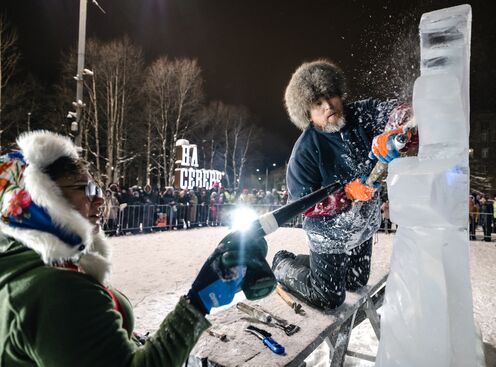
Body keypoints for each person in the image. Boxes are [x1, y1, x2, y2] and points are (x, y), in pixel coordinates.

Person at [0, 130, 273, 366]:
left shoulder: (20, 266)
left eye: (98, 189)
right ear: (39, 199)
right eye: (86, 189)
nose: (99, 200)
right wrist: (198, 304)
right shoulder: (56, 292)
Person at [271, 60, 415, 309]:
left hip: (362, 225)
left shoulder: (363, 115)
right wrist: (346, 194)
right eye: (318, 103)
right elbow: (302, 205)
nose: (328, 106)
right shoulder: (304, 151)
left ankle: (318, 267)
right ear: (308, 113)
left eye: (330, 96)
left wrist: (396, 130)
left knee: (355, 281)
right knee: (328, 298)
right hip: (329, 232)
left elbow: (403, 112)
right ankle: (282, 263)